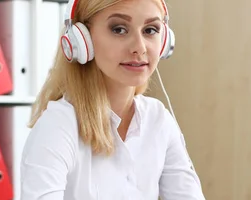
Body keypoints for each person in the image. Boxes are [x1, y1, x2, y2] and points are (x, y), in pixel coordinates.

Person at [20, 0, 205, 199]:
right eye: (119, 29)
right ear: (82, 40)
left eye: (150, 30)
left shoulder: (158, 119)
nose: (140, 48)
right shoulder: (58, 126)